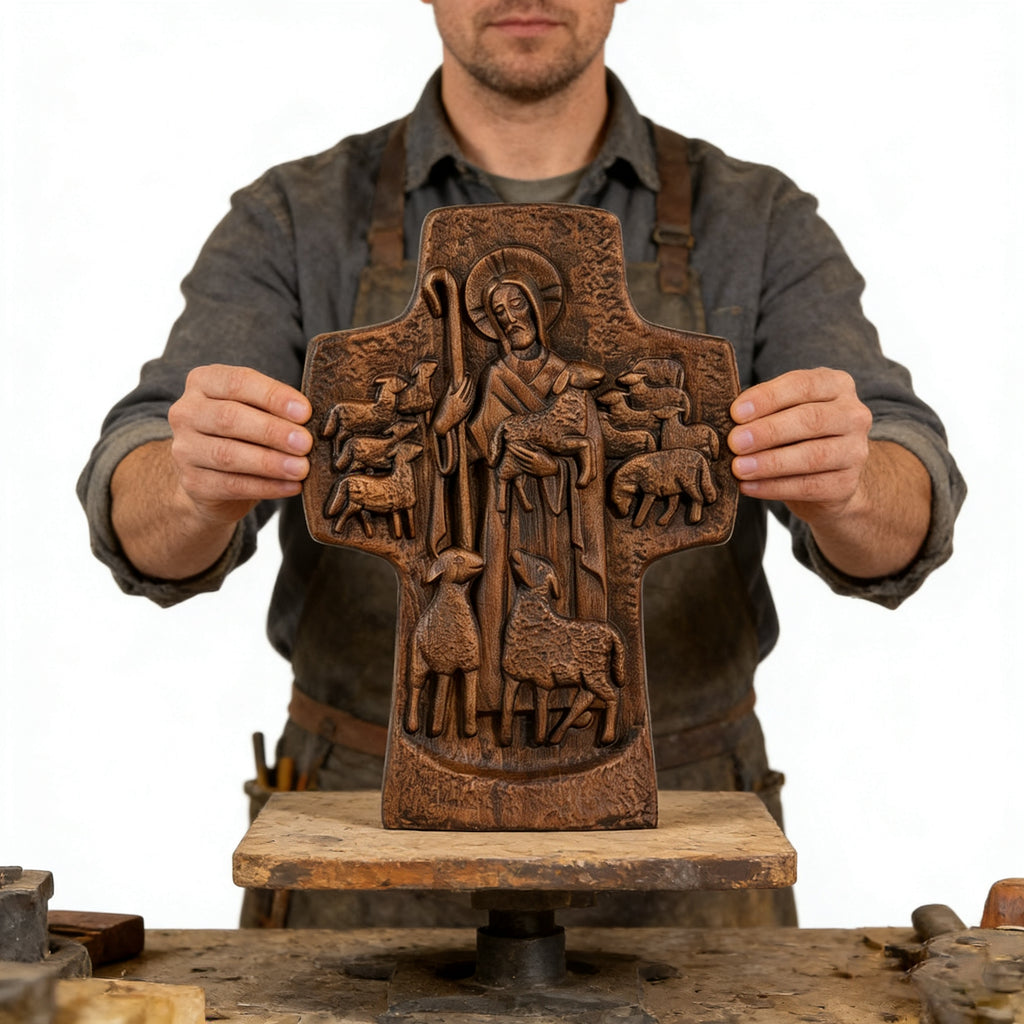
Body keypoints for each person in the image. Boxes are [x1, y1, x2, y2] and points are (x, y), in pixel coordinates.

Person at [77, 0, 965, 929]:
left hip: (685, 820)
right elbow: (142, 512)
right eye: (497, 317)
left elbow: (903, 505)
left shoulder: (757, 219)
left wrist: (851, 483)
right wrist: (192, 480)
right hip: (363, 827)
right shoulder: (293, 218)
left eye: (522, 314)